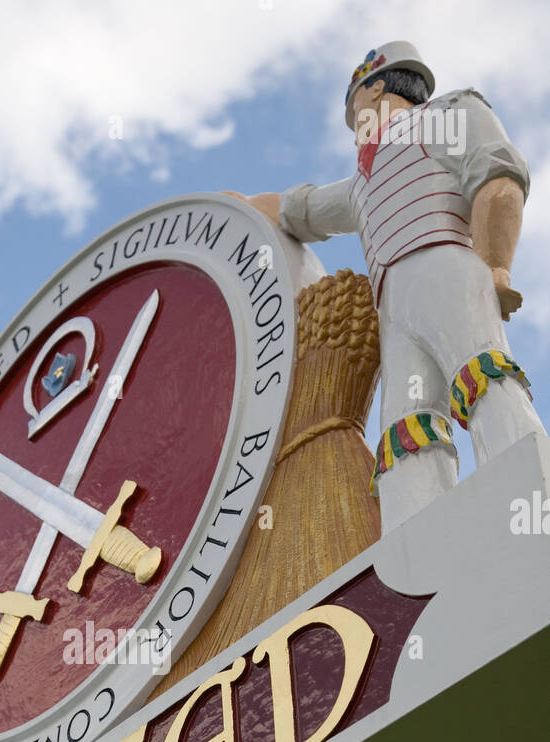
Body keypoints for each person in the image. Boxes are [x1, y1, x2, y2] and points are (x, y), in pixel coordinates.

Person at [229, 41, 546, 532]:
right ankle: (417, 539)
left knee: (481, 370)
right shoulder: (362, 180)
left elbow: (498, 178)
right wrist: (245, 204)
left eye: (354, 110)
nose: (355, 123)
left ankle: (528, 495)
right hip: (392, 307)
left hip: (443, 263)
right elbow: (303, 208)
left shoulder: (448, 116)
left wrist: (496, 265)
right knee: (405, 423)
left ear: (375, 88)